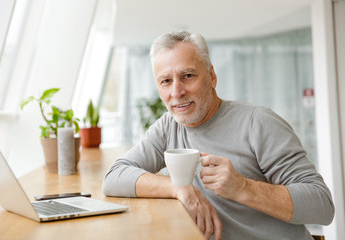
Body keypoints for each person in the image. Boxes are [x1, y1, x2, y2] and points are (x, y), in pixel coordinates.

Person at [102, 31, 334, 240]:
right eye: (166, 81)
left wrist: (243, 187)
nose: (176, 92)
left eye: (188, 76)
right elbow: (114, 177)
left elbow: (322, 205)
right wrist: (179, 189)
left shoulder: (258, 123)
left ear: (212, 76)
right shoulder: (168, 127)